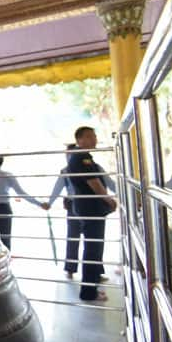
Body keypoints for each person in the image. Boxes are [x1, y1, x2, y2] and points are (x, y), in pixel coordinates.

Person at [46, 144, 115, 279]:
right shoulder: (64, 171)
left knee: (94, 241)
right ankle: (70, 269)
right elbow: (57, 188)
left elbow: (110, 184)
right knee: (73, 237)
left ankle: (96, 271)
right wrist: (49, 203)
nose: (68, 157)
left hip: (91, 205)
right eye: (67, 155)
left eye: (70, 155)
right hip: (73, 205)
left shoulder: (95, 167)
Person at [65, 126, 117, 302]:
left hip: (88, 208)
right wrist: (109, 199)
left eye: (94, 136)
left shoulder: (82, 157)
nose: (93, 139)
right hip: (90, 209)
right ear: (79, 140)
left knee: (94, 248)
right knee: (93, 249)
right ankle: (88, 292)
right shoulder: (81, 157)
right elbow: (93, 181)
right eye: (88, 136)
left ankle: (91, 287)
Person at [0, 156, 48, 249]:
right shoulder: (8, 175)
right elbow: (22, 193)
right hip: (4, 208)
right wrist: (40, 204)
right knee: (6, 239)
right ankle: (6, 261)